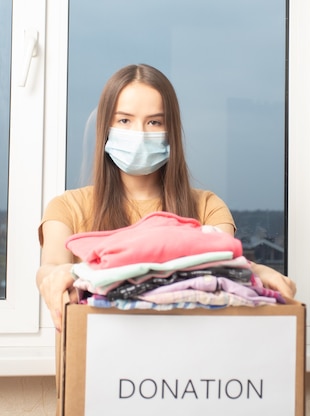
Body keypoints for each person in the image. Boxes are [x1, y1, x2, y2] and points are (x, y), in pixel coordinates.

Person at [36, 63, 296, 331]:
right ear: (106, 128)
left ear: (171, 132)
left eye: (154, 122)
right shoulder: (67, 207)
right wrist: (54, 276)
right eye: (124, 120)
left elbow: (221, 266)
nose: (140, 133)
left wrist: (256, 271)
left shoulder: (208, 207)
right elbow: (53, 265)